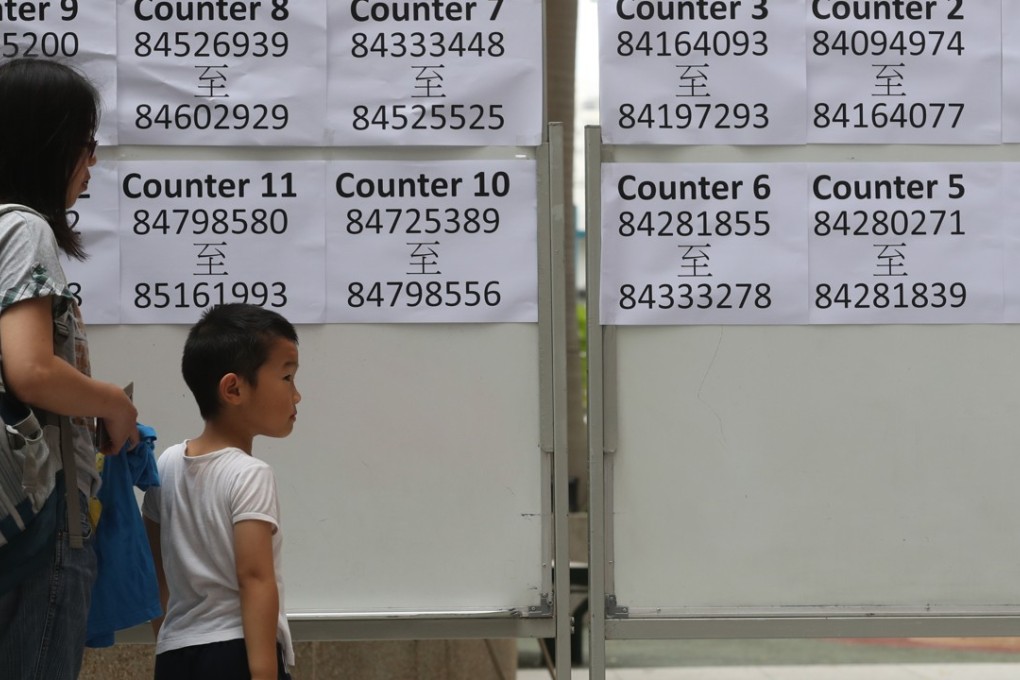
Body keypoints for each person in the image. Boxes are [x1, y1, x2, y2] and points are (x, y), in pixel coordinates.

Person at [0, 58, 140, 679]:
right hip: (37, 518)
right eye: (87, 144)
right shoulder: (24, 228)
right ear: (48, 145)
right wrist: (113, 402)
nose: (92, 164)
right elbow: (31, 370)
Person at [143, 303, 299, 680]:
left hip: (175, 651)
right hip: (238, 652)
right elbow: (255, 578)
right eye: (287, 378)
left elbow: (153, 568)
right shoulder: (250, 474)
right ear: (233, 388)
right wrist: (263, 673)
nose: (296, 395)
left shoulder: (165, 463)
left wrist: (170, 635)